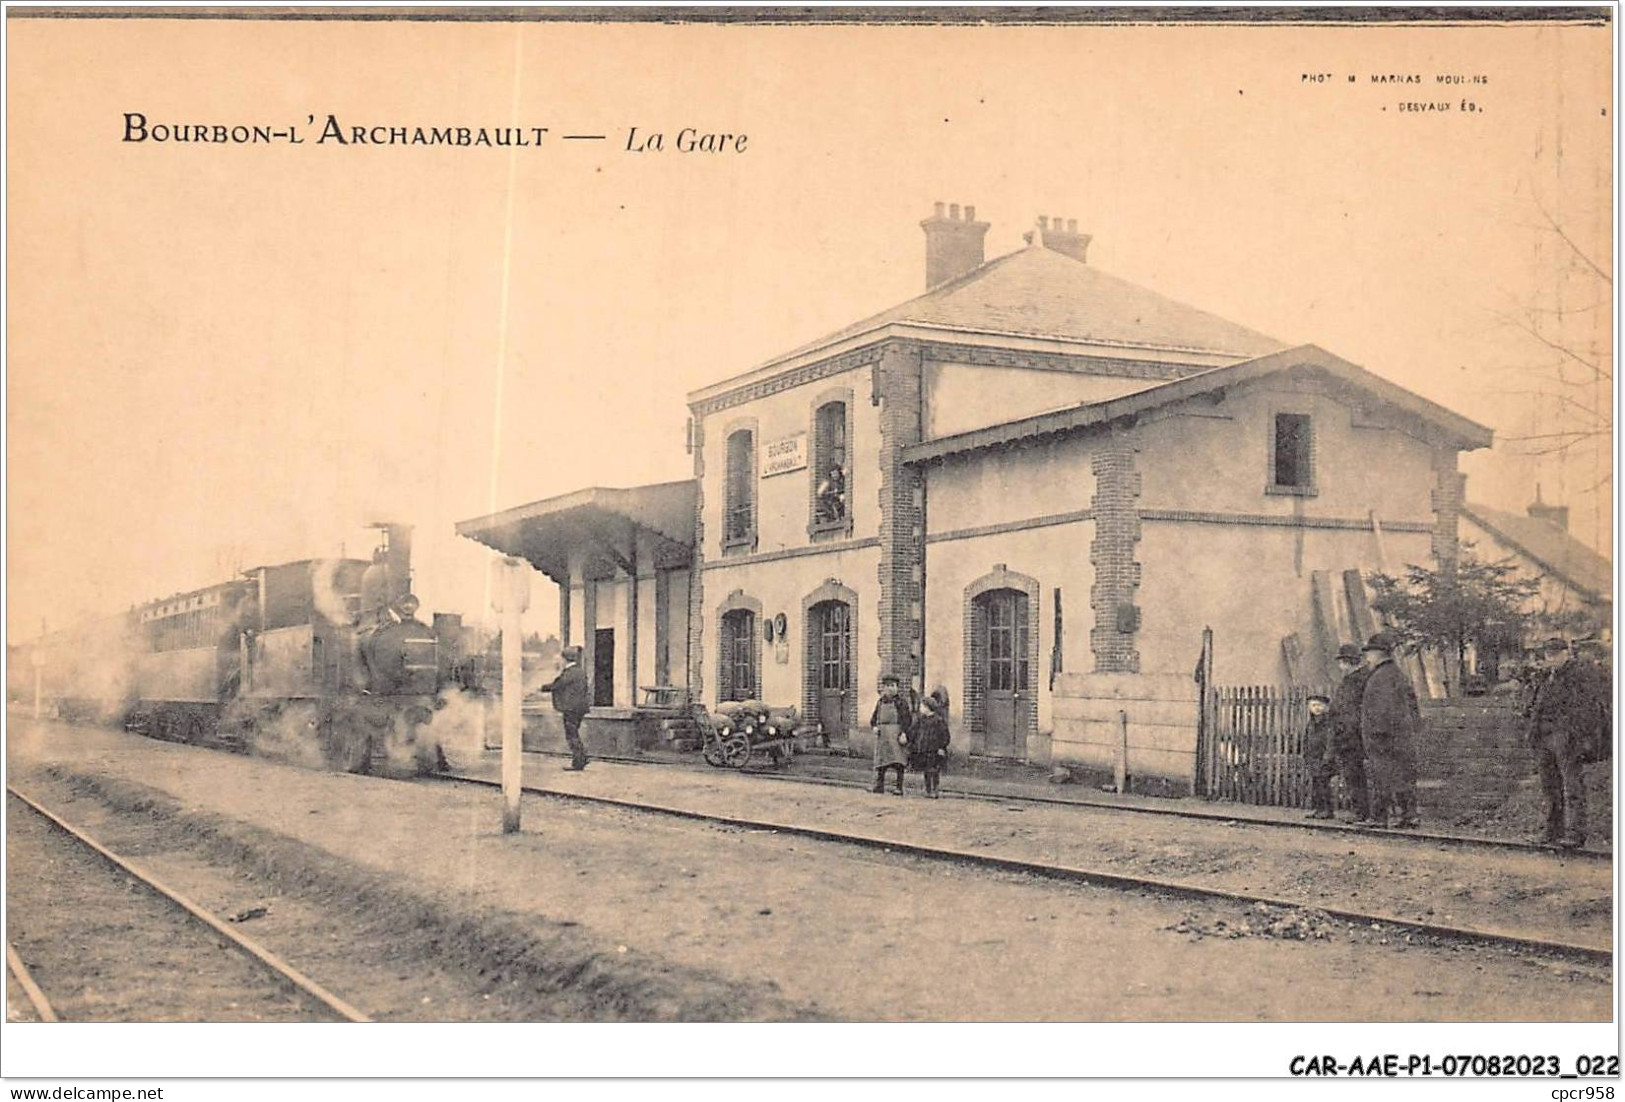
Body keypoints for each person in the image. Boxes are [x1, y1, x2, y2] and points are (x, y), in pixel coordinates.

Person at [1527, 636, 1611, 849]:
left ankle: (1575, 832)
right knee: (1550, 787)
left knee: (1572, 786)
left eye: (1555, 653)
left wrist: (1576, 735)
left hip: (1567, 738)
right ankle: (1552, 830)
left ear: (1566, 653)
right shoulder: (1547, 677)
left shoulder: (1578, 675)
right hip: (1545, 737)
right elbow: (1537, 706)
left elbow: (1587, 708)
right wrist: (1534, 733)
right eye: (1548, 653)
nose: (1551, 657)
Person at [1359, 630, 1421, 829]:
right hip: (1402, 736)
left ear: (1379, 653)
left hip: (1383, 737)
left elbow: (1381, 710)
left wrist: (1376, 735)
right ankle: (1409, 816)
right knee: (1402, 776)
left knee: (1382, 777)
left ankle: (1379, 818)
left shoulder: (1380, 677)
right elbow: (1413, 707)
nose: (1367, 657)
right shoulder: (1397, 675)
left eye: (1369, 652)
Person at [1328, 643, 1374, 824]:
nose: (1340, 666)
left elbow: (1352, 709)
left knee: (1355, 774)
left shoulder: (1357, 680)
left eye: (1341, 661)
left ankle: (1362, 812)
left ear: (1346, 662)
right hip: (1348, 734)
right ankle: (1360, 811)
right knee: (1353, 775)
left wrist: (1346, 730)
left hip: (1352, 735)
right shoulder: (1353, 679)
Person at [540, 645, 592, 771]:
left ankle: (580, 760)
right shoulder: (580, 671)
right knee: (573, 733)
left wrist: (541, 688)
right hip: (579, 708)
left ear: (565, 659)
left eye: (561, 659)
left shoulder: (570, 672)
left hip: (571, 709)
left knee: (571, 734)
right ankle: (581, 757)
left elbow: (558, 684)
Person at [869, 672, 913, 795]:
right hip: (883, 735)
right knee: (881, 762)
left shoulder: (901, 703)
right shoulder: (880, 702)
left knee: (898, 762)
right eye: (887, 686)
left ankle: (899, 787)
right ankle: (879, 785)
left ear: (897, 687)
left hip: (896, 734)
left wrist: (904, 733)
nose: (890, 688)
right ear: (883, 687)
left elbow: (907, 719)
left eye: (893, 686)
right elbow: (873, 718)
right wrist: (874, 727)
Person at [910, 686, 952, 798]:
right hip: (924, 749)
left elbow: (945, 735)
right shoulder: (921, 720)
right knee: (926, 771)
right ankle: (928, 789)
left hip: (934, 750)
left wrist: (942, 747)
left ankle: (935, 789)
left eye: (922, 706)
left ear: (928, 708)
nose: (920, 708)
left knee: (934, 770)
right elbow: (914, 732)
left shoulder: (938, 721)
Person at [1303, 693, 1336, 819]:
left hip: (1324, 758)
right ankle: (1318, 809)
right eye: (1313, 705)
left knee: (1324, 784)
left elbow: (1331, 741)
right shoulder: (1311, 724)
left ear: (1326, 707)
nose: (1316, 708)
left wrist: (1328, 757)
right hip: (1313, 758)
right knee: (1316, 784)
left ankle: (1327, 810)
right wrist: (1306, 755)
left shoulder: (1328, 723)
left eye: (1319, 705)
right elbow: (1306, 740)